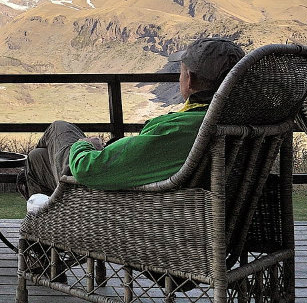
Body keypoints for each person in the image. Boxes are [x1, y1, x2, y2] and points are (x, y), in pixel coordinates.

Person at [18, 37, 245, 199]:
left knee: (59, 128)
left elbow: (90, 169)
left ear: (191, 80)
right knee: (38, 159)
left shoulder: (182, 129)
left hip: (131, 213)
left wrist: (85, 145)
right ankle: (44, 246)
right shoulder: (242, 121)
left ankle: (45, 225)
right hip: (203, 215)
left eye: (181, 71)